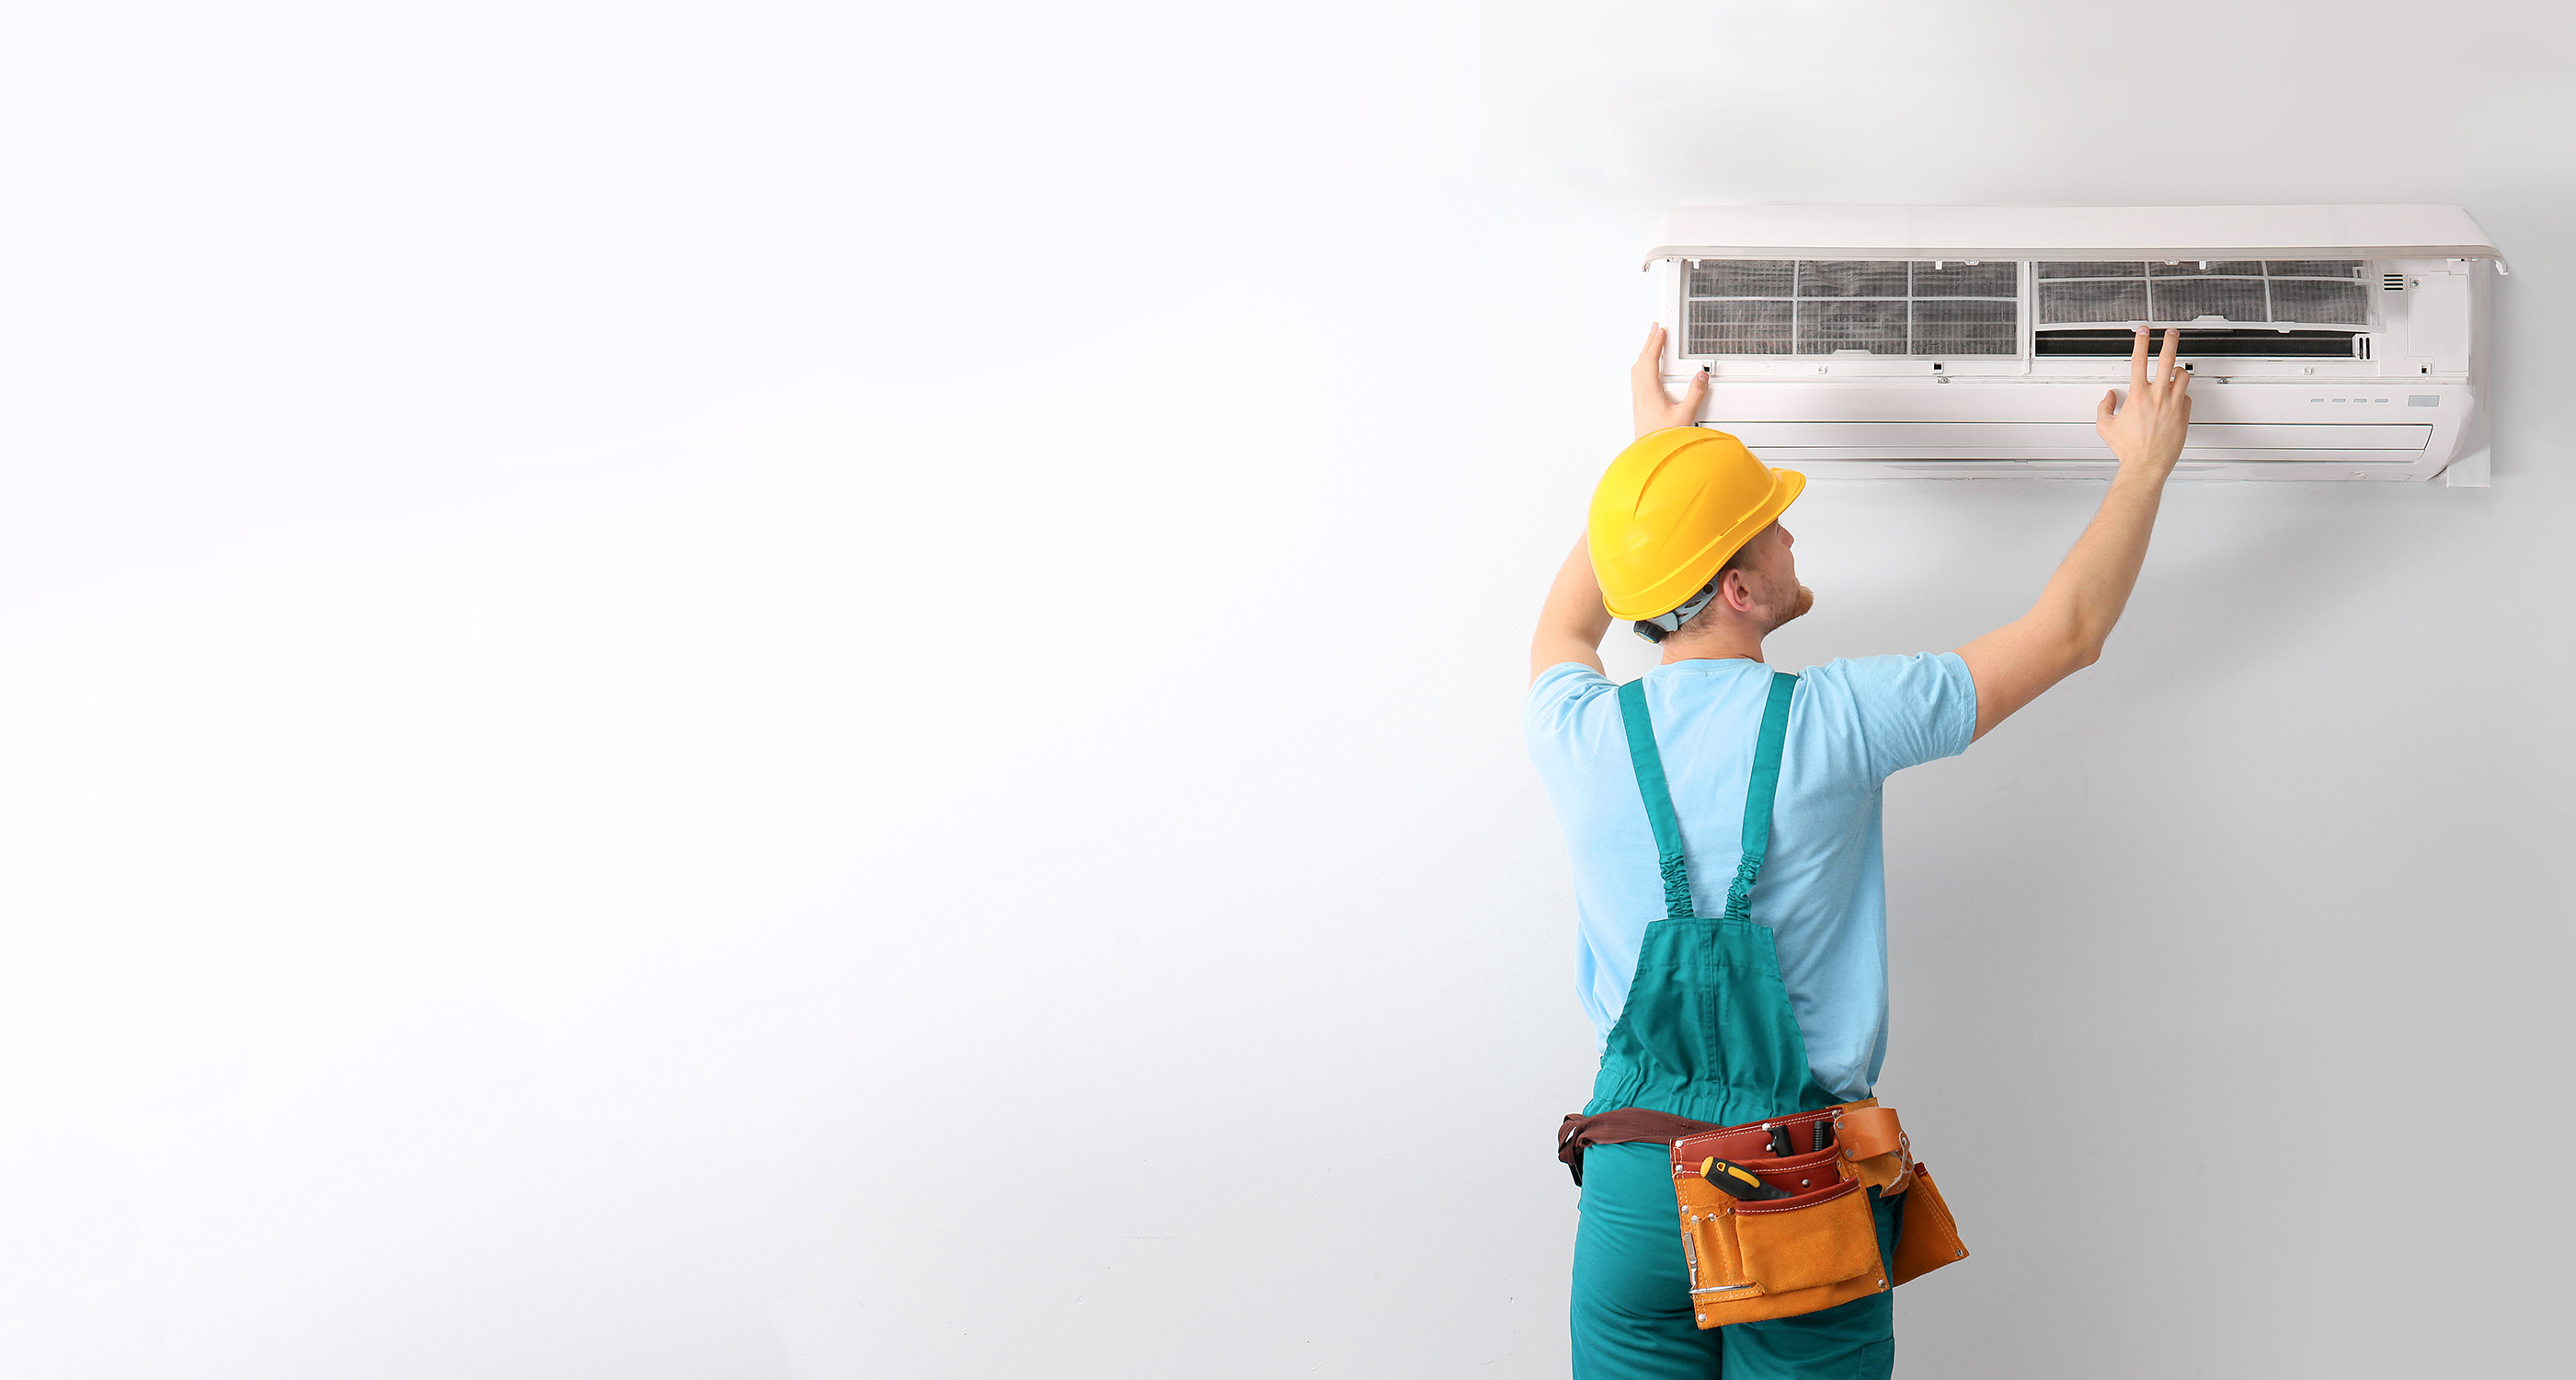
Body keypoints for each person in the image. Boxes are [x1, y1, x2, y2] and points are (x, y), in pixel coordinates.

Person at [1525, 324, 2195, 1379]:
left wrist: (1648, 463)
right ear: (1739, 590)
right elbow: (2066, 633)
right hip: (1787, 1186)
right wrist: (2146, 467)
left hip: (1628, 1190)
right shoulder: (1840, 716)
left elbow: (1565, 629)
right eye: (1771, 528)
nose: (1791, 537)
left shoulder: (1575, 730)